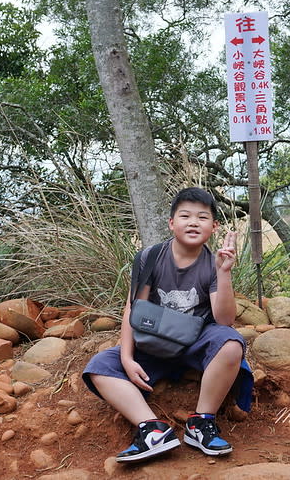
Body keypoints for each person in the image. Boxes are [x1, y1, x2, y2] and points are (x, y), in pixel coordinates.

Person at [82, 187, 248, 462]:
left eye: (202, 217)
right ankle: (152, 429)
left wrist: (224, 272)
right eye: (185, 216)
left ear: (214, 226)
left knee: (230, 344)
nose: (193, 222)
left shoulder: (212, 263)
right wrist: (126, 357)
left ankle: (201, 423)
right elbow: (134, 309)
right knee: (100, 367)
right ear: (171, 223)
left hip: (195, 341)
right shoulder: (150, 257)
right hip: (153, 341)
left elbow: (225, 320)